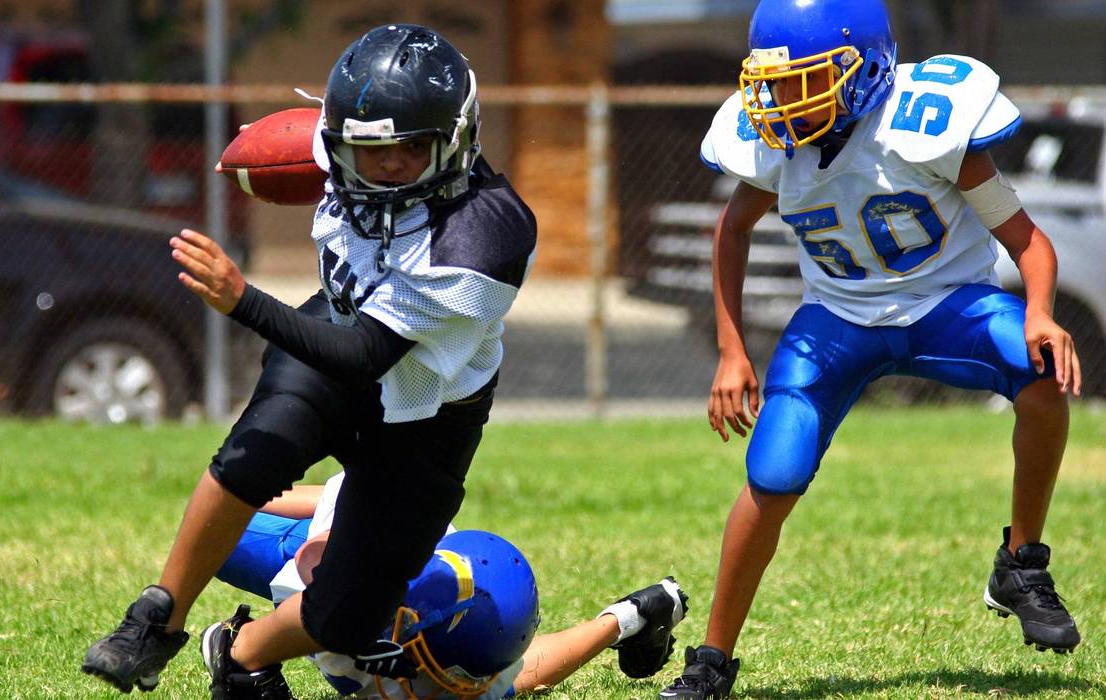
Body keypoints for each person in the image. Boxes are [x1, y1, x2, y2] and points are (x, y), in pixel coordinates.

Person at [82, 23, 538, 695]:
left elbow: (367, 357)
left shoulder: (485, 233)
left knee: (350, 617)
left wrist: (243, 301)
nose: (386, 165)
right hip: (337, 327)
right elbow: (302, 151)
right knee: (254, 452)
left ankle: (240, 655)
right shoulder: (339, 148)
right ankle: (155, 618)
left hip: (425, 403)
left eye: (412, 149)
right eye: (366, 149)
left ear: (457, 139)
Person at [660, 1, 1083, 697]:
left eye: (803, 80)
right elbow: (731, 230)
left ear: (865, 69)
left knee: (1041, 376)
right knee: (772, 475)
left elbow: (1027, 241)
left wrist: (1038, 311)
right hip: (836, 319)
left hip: (950, 305)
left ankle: (1020, 562)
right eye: (772, 83)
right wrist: (731, 350)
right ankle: (710, 661)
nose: (780, 101)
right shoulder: (774, 142)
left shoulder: (924, 126)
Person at [202, 473, 690, 699]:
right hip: (326, 549)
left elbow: (526, 670)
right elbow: (344, 494)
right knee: (215, 530)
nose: (462, 688)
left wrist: (625, 618)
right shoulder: (362, 578)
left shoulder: (474, 649)